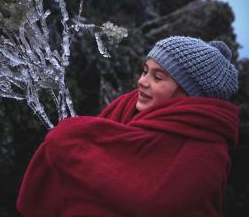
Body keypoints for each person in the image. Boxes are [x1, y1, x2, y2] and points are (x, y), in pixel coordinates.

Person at [16, 36, 239, 217]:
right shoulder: (125, 109)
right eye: (144, 71)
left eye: (158, 77)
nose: (142, 81)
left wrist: (67, 137)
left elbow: (153, 203)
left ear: (189, 94)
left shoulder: (206, 155)